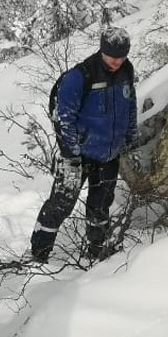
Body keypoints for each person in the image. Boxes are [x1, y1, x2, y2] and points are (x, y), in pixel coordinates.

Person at [31, 27, 139, 263]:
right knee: (61, 204)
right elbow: (63, 117)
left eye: (121, 57)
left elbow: (129, 103)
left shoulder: (126, 71)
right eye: (112, 56)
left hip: (108, 154)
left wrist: (130, 133)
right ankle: (39, 254)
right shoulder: (80, 76)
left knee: (100, 207)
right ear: (102, 50)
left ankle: (97, 252)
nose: (117, 61)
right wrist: (71, 154)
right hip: (77, 156)